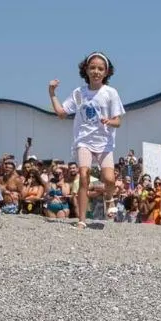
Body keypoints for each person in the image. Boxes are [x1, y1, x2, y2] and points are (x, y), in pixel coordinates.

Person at [49, 52, 124, 229]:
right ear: (86, 70)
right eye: (92, 68)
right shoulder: (79, 93)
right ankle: (82, 220)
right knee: (83, 176)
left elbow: (118, 121)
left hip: (104, 142)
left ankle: (109, 197)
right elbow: (61, 113)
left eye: (100, 68)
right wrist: (52, 93)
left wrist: (109, 121)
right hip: (84, 140)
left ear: (106, 72)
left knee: (109, 179)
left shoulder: (110, 93)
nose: (96, 71)